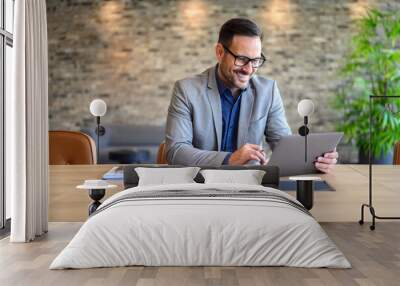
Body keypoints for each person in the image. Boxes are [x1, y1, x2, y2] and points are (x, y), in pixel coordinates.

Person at [165, 18, 338, 173]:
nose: (249, 69)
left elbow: (284, 146)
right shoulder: (186, 90)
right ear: (219, 52)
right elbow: (176, 151)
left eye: (255, 60)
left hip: (250, 187)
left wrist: (316, 160)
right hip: (199, 187)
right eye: (241, 59)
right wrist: (230, 160)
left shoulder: (267, 91)